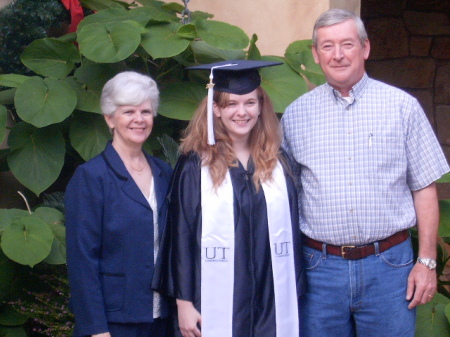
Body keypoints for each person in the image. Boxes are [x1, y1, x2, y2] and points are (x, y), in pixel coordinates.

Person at [281, 8, 450, 337]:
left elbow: (424, 188)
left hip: (389, 268)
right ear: (316, 54)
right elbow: (286, 193)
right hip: (319, 270)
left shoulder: (401, 107)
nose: (338, 55)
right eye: (327, 46)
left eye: (347, 44)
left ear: (365, 48)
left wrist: (427, 261)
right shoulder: (295, 115)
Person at [153, 60, 305, 337]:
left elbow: (292, 234)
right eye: (232, 104)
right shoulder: (195, 164)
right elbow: (181, 235)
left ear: (261, 107)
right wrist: (184, 302)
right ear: (216, 109)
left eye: (250, 103)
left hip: (270, 297)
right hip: (210, 299)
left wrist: (294, 289)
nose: (242, 112)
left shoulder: (277, 163)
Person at [65, 71, 173, 337]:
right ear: (109, 119)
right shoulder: (91, 177)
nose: (139, 119)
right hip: (114, 322)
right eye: (128, 112)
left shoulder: (164, 172)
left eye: (145, 111)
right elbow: (82, 262)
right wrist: (96, 329)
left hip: (163, 318)